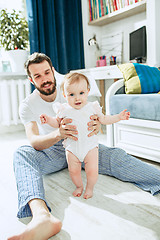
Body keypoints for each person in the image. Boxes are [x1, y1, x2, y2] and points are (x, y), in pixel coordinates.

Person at [9, 52, 160, 240]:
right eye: (38, 76)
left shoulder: (73, 82)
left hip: (86, 145)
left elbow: (96, 110)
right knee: (21, 154)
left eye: (47, 73)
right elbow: (34, 141)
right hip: (56, 149)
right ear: (31, 80)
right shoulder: (27, 105)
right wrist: (59, 133)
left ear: (53, 71)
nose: (45, 79)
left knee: (116, 155)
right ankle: (42, 217)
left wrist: (98, 122)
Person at [40, 72, 130, 199]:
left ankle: (89, 188)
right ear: (65, 95)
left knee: (92, 170)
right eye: (72, 94)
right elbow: (57, 123)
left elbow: (104, 119)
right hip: (72, 148)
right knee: (73, 171)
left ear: (88, 91)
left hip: (90, 147)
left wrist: (118, 117)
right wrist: (48, 119)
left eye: (81, 93)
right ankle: (79, 186)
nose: (77, 98)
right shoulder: (63, 109)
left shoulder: (92, 107)